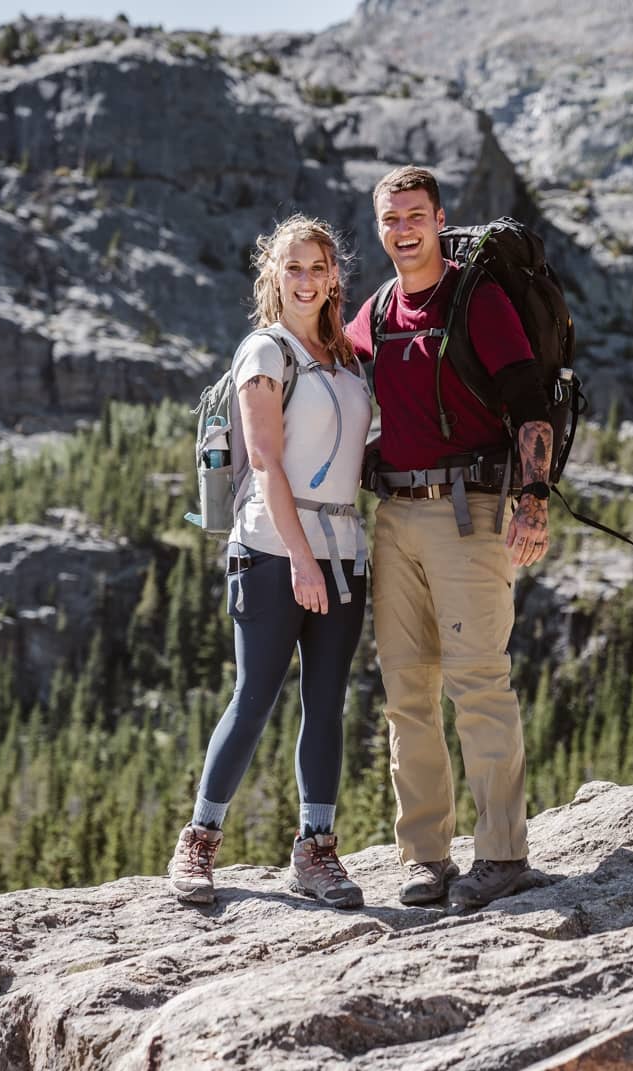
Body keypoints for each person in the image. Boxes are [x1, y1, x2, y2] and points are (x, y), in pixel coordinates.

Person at [346, 165, 552, 911]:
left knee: (477, 683)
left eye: (415, 215)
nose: (403, 229)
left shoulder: (477, 297)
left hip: (472, 512)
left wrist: (532, 498)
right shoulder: (374, 312)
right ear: (380, 228)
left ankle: (500, 853)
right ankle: (425, 857)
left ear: (439, 219)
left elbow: (531, 400)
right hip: (395, 517)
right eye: (390, 219)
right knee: (406, 691)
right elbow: (328, 372)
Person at [167, 215, 372, 909]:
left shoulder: (345, 358)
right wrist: (301, 561)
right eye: (293, 267)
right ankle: (199, 838)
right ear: (272, 276)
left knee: (326, 703)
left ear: (334, 275)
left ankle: (315, 849)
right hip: (271, 551)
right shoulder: (265, 351)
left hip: (345, 551)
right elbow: (265, 460)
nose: (306, 279)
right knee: (255, 697)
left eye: (318, 266)